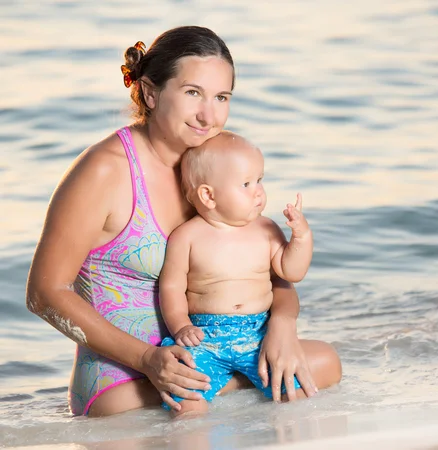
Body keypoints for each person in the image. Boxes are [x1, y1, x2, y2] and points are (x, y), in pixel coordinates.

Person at [25, 25, 342, 417]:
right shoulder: (105, 171)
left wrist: (282, 328)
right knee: (240, 395)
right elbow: (45, 293)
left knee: (323, 362)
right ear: (150, 92)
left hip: (213, 358)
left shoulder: (216, 167)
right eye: (193, 93)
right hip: (128, 375)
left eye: (221, 97)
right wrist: (148, 360)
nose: (209, 115)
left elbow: (274, 274)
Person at [160, 131, 313, 417]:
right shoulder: (187, 237)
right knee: (184, 393)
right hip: (204, 336)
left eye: (259, 180)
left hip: (259, 334)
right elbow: (171, 289)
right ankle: (194, 437)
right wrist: (181, 325)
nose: (258, 191)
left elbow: (291, 271)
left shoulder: (266, 229)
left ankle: (283, 434)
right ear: (208, 195)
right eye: (246, 184)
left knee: (296, 386)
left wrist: (301, 237)